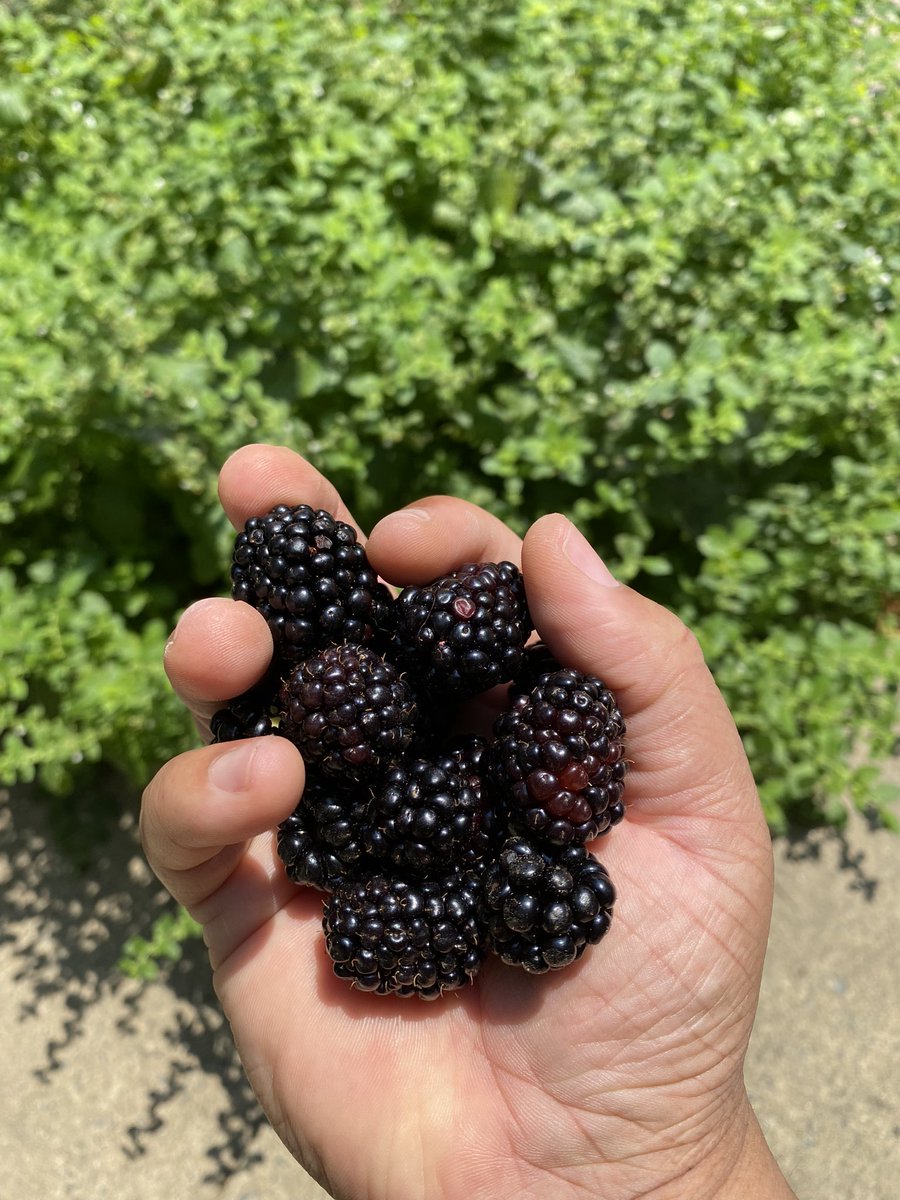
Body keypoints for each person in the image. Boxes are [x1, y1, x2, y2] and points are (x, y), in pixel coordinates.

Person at [141, 442, 798, 1199]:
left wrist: (665, 1166)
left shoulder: (502, 823)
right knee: (231, 680)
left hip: (437, 830)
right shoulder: (381, 761)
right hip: (401, 804)